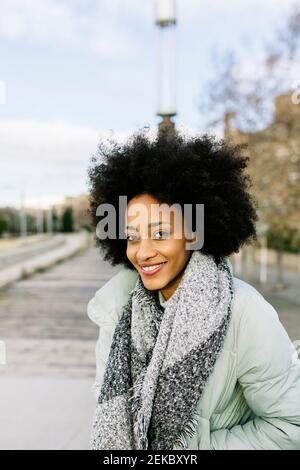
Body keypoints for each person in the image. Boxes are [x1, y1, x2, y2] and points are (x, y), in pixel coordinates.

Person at [87, 130, 300, 450]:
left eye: (160, 233)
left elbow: (290, 427)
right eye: (132, 237)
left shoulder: (244, 312)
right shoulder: (119, 312)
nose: (142, 252)